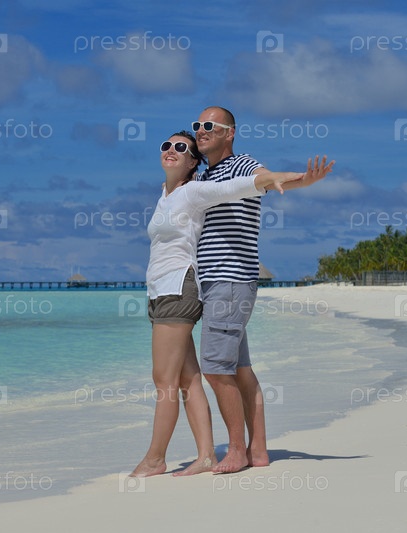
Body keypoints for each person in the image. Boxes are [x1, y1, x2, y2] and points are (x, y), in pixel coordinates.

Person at [130, 130, 331, 477]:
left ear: (193, 162)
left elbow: (241, 186)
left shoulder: (194, 190)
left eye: (181, 147)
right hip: (160, 290)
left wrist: (295, 179)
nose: (171, 150)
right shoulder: (165, 194)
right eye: (166, 145)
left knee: (164, 379)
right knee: (187, 379)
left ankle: (155, 459)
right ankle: (207, 455)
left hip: (179, 287)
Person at [193, 106, 334, 473]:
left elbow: (267, 179)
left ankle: (236, 450)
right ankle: (258, 450)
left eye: (209, 125)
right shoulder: (206, 175)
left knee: (215, 370)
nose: (200, 130)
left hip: (229, 281)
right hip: (220, 284)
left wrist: (304, 180)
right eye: (197, 125)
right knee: (240, 370)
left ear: (229, 133)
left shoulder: (241, 164)